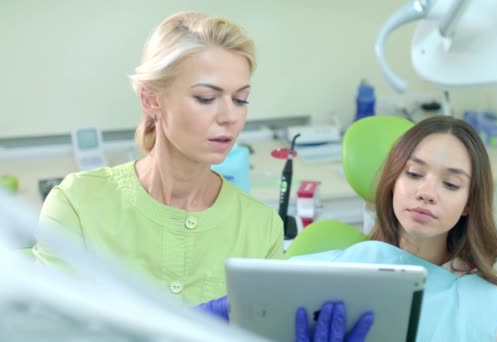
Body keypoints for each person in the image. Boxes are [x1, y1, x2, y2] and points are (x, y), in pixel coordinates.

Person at [31, 11, 372, 341]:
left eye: (241, 99)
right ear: (151, 99)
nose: (229, 117)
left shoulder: (260, 228)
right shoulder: (78, 205)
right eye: (206, 98)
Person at [292, 116, 497, 341]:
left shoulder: (487, 305)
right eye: (414, 173)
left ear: (469, 202)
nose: (426, 193)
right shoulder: (338, 272)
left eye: (450, 184)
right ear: (393, 182)